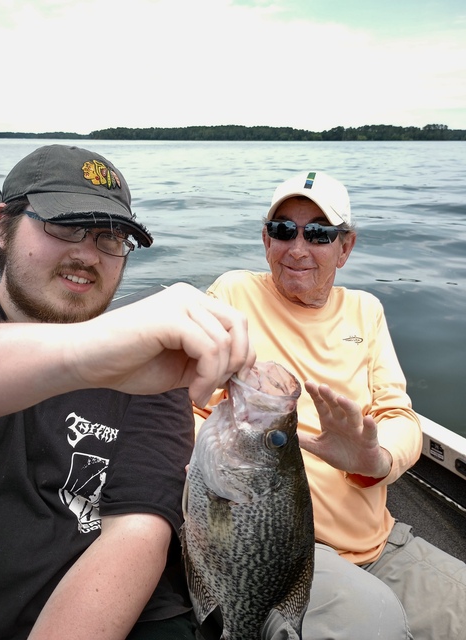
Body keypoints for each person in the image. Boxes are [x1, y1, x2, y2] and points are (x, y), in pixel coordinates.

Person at [0, 144, 254, 640]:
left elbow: (138, 529)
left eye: (111, 237)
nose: (87, 254)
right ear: (3, 225)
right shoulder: (118, 347)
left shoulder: (149, 366)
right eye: (64, 226)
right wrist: (81, 352)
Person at [194, 170, 466, 640]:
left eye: (319, 233)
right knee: (375, 626)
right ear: (266, 239)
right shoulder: (233, 295)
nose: (298, 247)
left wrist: (373, 459)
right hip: (280, 547)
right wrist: (239, 453)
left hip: (381, 543)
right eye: (284, 230)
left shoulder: (367, 310)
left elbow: (398, 416)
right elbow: (186, 403)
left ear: (346, 247)